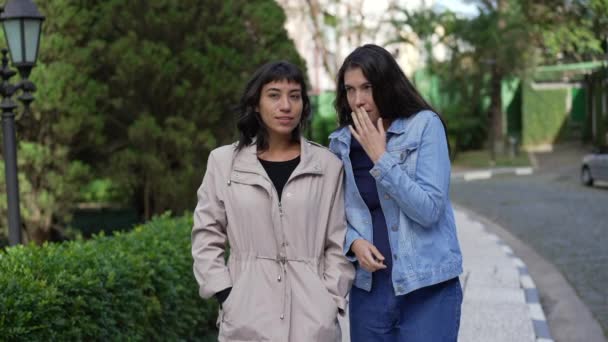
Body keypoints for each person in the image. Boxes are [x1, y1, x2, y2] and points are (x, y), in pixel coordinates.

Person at [191, 61, 354, 342]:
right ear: (256, 103)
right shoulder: (223, 163)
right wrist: (227, 295)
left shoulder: (327, 165)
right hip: (246, 317)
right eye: (274, 95)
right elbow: (206, 236)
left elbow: (338, 241)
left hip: (313, 320)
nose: (286, 105)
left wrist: (329, 300)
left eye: (294, 95)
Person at [328, 44, 463, 341]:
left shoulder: (425, 126)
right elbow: (332, 215)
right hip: (371, 290)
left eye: (367, 88)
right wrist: (353, 242)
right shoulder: (340, 144)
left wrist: (381, 158)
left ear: (387, 85)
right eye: (350, 90)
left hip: (428, 288)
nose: (358, 100)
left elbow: (429, 210)